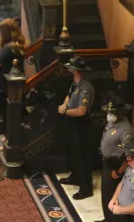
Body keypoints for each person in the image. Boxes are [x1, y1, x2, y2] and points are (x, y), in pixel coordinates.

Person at [57, 56, 95, 200]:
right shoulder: (75, 84)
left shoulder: (85, 88)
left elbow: (81, 111)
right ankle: (76, 176)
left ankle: (86, 188)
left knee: (82, 156)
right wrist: (64, 106)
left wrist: (65, 111)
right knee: (73, 153)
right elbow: (69, 96)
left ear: (75, 70)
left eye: (71, 68)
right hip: (72, 122)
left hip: (81, 124)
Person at [0, 18, 27, 138]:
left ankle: (6, 138)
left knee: (4, 111)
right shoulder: (19, 43)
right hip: (13, 81)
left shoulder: (9, 47)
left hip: (5, 83)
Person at [97, 97, 134, 222]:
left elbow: (130, 154)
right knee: (106, 195)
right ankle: (108, 218)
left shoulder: (125, 129)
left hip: (117, 164)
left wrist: (119, 171)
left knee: (114, 196)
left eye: (112, 112)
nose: (109, 115)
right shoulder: (112, 123)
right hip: (107, 162)